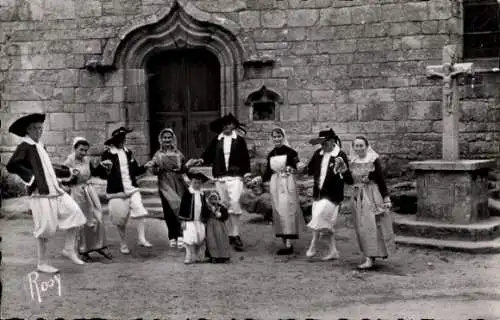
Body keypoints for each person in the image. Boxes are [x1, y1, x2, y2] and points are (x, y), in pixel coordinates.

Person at [6, 113, 87, 273]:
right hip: (40, 194)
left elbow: (48, 167)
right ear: (28, 130)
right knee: (45, 229)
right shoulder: (25, 145)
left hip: (55, 191)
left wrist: (67, 171)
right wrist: (32, 177)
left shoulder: (40, 146)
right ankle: (42, 263)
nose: (39, 131)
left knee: (75, 213)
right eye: (35, 128)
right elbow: (12, 165)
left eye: (40, 128)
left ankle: (69, 249)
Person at [192, 113, 251, 252]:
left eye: (229, 124)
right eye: (223, 125)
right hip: (220, 177)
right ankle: (228, 234)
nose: (226, 127)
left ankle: (235, 234)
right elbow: (208, 154)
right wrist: (201, 160)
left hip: (235, 176)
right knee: (223, 204)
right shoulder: (217, 140)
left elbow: (245, 158)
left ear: (234, 125)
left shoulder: (240, 140)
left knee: (235, 202)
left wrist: (247, 173)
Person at [98, 127, 152, 254]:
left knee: (139, 209)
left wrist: (145, 166)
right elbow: (103, 175)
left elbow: (135, 170)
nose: (123, 141)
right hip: (116, 191)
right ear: (115, 140)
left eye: (124, 138)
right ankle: (123, 243)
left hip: (132, 188)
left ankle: (141, 238)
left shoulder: (128, 152)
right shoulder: (107, 154)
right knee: (119, 218)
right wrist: (104, 168)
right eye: (120, 139)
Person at [301, 129, 353, 261]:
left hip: (333, 195)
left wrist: (342, 169)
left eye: (324, 143)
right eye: (321, 144)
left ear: (331, 141)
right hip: (318, 193)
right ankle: (333, 251)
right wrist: (302, 167)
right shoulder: (318, 154)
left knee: (319, 217)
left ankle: (313, 245)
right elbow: (310, 170)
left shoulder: (340, 155)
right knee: (325, 225)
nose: (322, 146)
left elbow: (348, 178)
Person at [252, 128, 304, 255]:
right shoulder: (271, 154)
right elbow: (268, 173)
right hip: (275, 183)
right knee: (279, 210)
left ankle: (289, 242)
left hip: (287, 183)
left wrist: (298, 167)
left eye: (279, 136)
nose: (276, 139)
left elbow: (298, 166)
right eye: (274, 137)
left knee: (288, 209)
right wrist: (259, 179)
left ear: (283, 137)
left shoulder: (291, 152)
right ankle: (284, 240)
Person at [349, 136, 395, 270]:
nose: (358, 148)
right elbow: (349, 180)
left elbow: (380, 179)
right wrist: (342, 171)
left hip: (371, 195)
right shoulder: (352, 161)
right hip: (357, 195)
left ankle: (371, 257)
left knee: (371, 225)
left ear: (366, 146)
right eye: (356, 146)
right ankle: (369, 255)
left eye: (361, 145)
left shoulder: (373, 160)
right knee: (361, 226)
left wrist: (386, 197)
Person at [63, 137, 112, 261]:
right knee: (83, 222)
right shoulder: (68, 162)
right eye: (81, 150)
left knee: (98, 217)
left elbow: (94, 173)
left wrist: (102, 166)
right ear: (75, 149)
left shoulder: (87, 160)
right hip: (77, 192)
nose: (84, 153)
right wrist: (72, 177)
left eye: (85, 150)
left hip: (89, 190)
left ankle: (101, 246)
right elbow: (65, 182)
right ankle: (83, 251)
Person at [145, 128, 188, 249]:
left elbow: (184, 168)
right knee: (169, 210)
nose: (167, 139)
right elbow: (154, 169)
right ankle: (172, 236)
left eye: (169, 137)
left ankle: (180, 235)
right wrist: (154, 168)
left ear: (173, 139)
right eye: (165, 137)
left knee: (179, 208)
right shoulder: (158, 155)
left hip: (178, 183)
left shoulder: (178, 153)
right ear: (161, 139)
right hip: (165, 183)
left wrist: (185, 167)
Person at [178, 171, 211, 264]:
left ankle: (198, 256)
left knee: (200, 238)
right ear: (191, 182)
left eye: (199, 183)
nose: (197, 185)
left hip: (199, 220)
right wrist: (183, 220)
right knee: (189, 238)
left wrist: (205, 217)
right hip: (189, 220)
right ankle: (188, 256)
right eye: (195, 182)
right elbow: (183, 206)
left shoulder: (202, 194)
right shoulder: (188, 193)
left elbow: (204, 206)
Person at [205, 190, 231, 263]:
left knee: (222, 240)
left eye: (215, 199)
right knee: (211, 241)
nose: (213, 201)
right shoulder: (207, 207)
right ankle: (213, 256)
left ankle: (224, 256)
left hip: (220, 225)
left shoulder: (221, 207)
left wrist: (221, 215)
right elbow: (204, 215)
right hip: (210, 226)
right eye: (211, 199)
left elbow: (226, 216)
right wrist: (210, 211)